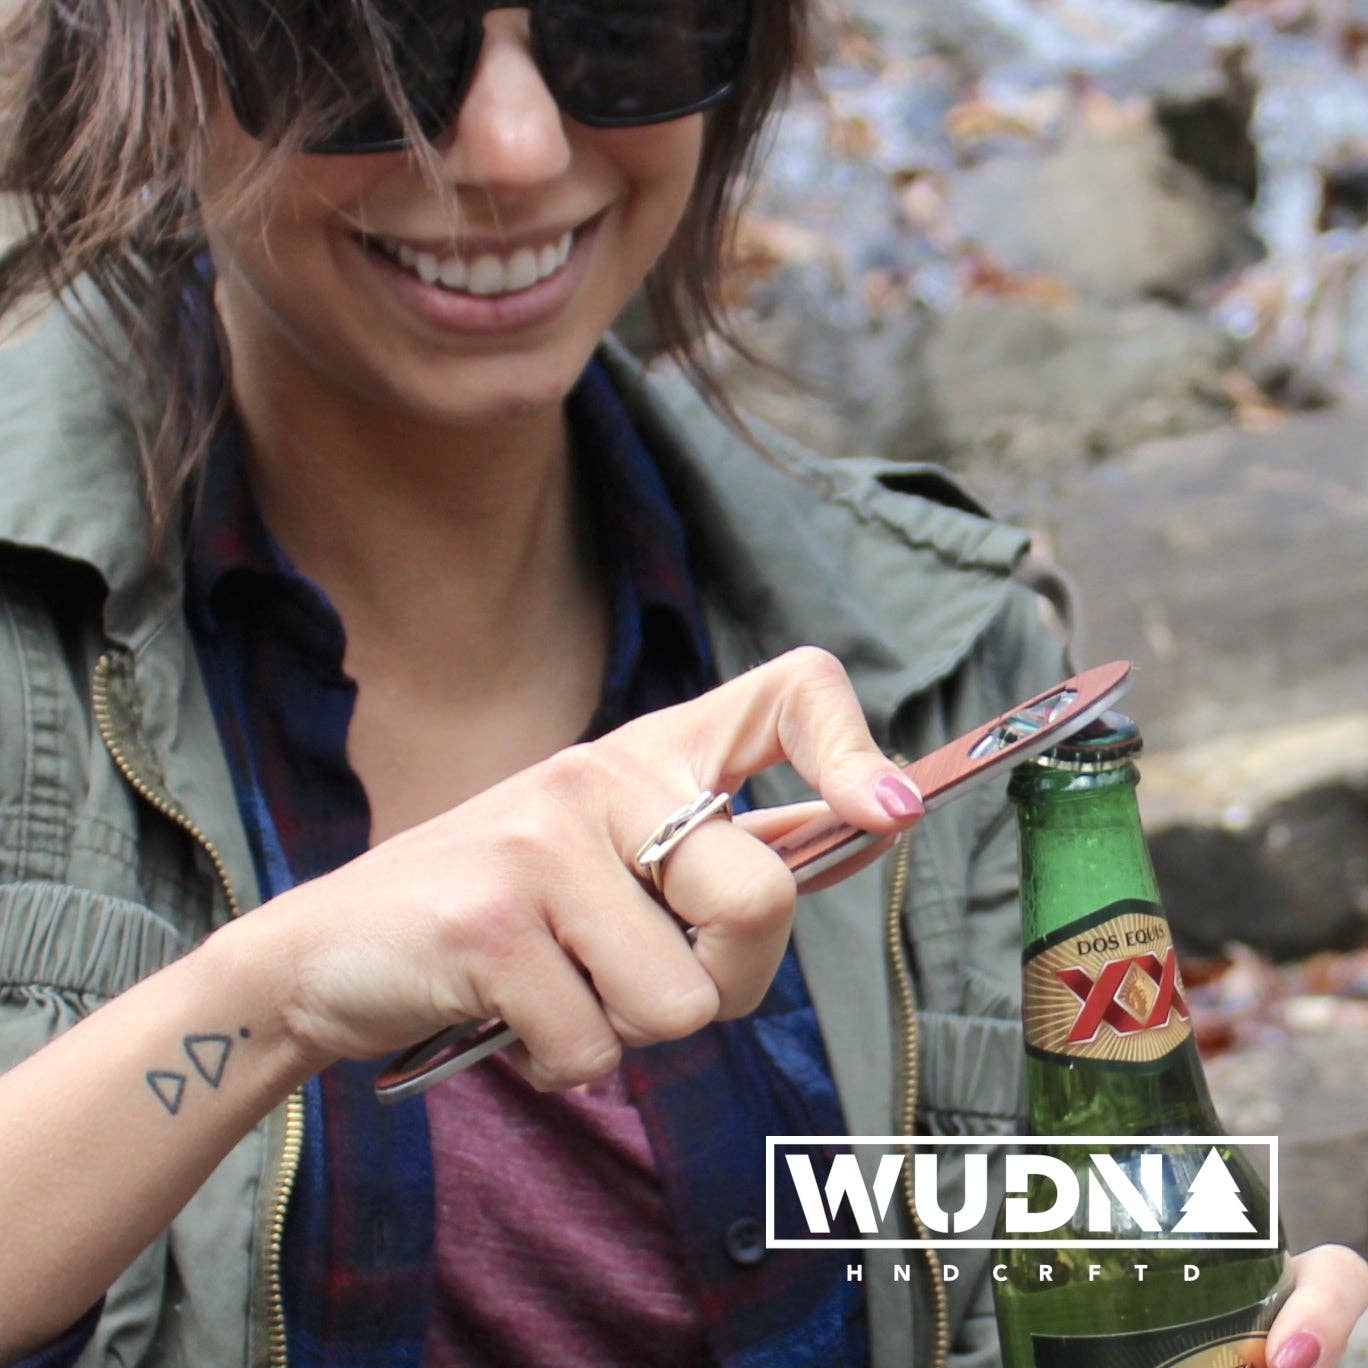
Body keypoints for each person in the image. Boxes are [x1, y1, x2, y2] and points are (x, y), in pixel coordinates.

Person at [0, 2, 1364, 1366]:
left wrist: (1204, 1309)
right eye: (373, 53)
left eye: (622, 33)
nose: (519, 147)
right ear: (158, 69)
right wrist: (270, 1001)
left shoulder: (947, 651)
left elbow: (1030, 1251)